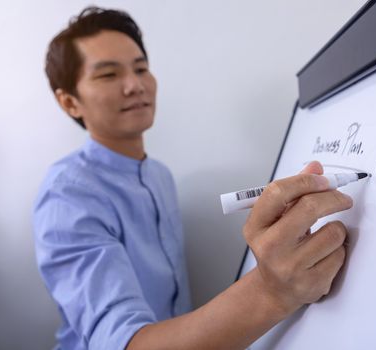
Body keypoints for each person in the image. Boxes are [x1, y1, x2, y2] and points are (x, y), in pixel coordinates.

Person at [33, 6, 352, 350]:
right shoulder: (66, 195)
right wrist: (271, 292)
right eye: (109, 75)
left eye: (141, 68)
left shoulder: (159, 176)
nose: (135, 85)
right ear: (69, 102)